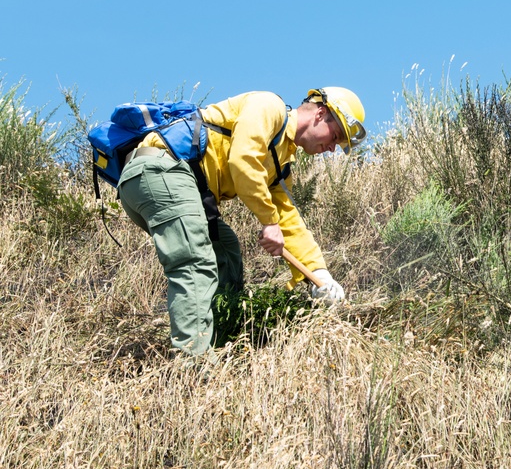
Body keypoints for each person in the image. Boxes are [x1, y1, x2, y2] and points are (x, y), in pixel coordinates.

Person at [117, 87, 367, 356]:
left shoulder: (280, 163)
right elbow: (243, 160)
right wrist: (268, 221)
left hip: (167, 184)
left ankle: (224, 342)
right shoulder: (268, 106)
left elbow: (288, 222)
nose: (331, 149)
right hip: (158, 171)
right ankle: (194, 363)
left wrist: (320, 275)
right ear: (321, 113)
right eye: (336, 137)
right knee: (195, 260)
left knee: (225, 250)